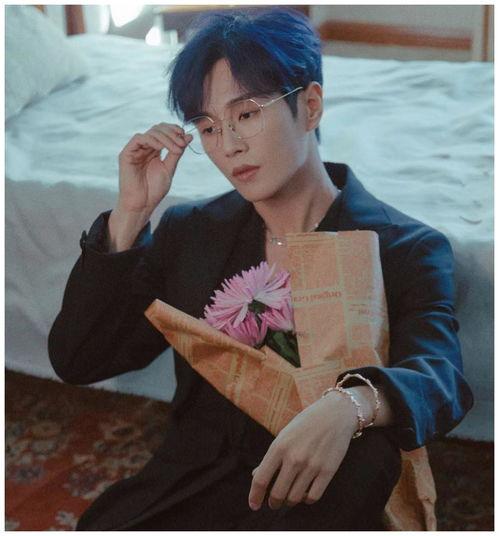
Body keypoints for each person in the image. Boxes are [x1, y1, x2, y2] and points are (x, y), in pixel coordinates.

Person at [48, 7, 474, 531]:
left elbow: (440, 379)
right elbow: (79, 360)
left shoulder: (403, 247)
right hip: (193, 484)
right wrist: (129, 216)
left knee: (366, 457)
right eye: (208, 127)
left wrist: (349, 404)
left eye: (247, 114)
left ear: (310, 106)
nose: (229, 146)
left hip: (318, 494)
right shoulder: (191, 232)